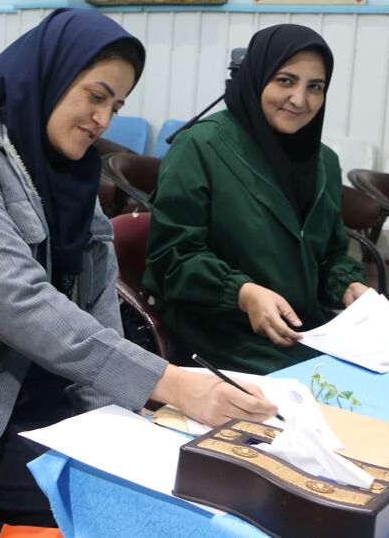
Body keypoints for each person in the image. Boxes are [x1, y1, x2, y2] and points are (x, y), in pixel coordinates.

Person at [0, 8, 277, 535]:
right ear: (48, 75)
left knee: (199, 478)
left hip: (42, 387)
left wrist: (114, 416)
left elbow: (97, 304)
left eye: (116, 106)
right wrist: (173, 385)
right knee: (154, 506)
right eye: (95, 96)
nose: (102, 119)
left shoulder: (65, 169)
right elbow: (21, 304)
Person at [144, 23, 368, 375]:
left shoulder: (323, 161)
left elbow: (329, 254)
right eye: (285, 81)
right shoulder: (201, 147)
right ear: (256, 77)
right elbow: (172, 258)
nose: (300, 99)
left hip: (305, 333)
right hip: (220, 338)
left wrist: (348, 285)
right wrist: (243, 293)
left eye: (315, 87)